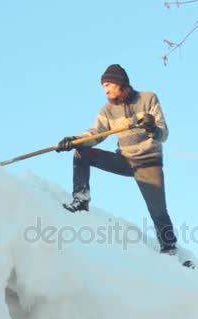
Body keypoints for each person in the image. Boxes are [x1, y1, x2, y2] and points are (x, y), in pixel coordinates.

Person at [55, 64, 181, 256]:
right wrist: (74, 140)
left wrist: (151, 129)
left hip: (148, 163)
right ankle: (81, 200)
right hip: (125, 160)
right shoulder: (107, 110)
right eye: (103, 86)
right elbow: (96, 134)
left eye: (108, 84)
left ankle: (169, 248)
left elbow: (164, 133)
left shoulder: (148, 98)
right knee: (82, 153)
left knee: (158, 210)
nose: (105, 89)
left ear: (120, 83)